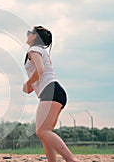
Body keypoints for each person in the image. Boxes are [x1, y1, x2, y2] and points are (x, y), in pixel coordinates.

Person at [23, 26, 77, 162]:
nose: (28, 34)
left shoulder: (34, 50)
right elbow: (40, 76)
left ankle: (72, 160)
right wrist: (30, 86)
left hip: (50, 91)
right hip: (55, 91)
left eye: (30, 33)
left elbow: (40, 71)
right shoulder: (41, 51)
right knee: (45, 133)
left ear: (35, 36)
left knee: (42, 131)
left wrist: (28, 83)